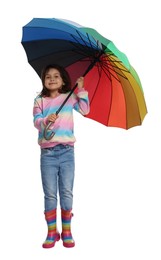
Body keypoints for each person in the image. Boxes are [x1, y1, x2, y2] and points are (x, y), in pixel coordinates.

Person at [33, 64, 90, 248]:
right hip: (47, 154)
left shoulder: (69, 97)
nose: (52, 79)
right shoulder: (39, 100)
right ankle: (51, 232)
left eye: (56, 76)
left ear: (63, 80)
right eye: (48, 76)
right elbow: (36, 121)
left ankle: (66, 230)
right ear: (43, 81)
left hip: (67, 152)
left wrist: (81, 90)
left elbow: (85, 110)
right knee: (50, 194)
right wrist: (44, 121)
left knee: (66, 192)